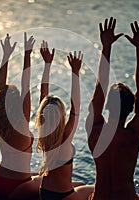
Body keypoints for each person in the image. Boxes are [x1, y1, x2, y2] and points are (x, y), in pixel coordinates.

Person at [85, 17, 139, 200]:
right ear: (132, 109)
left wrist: (106, 47)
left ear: (106, 104)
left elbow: (100, 87)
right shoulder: (133, 134)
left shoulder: (95, 131)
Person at [35, 41, 93, 200]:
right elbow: (76, 106)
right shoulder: (65, 138)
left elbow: (43, 96)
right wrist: (75, 72)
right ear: (61, 116)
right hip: (62, 197)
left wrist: (47, 64)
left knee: (80, 182)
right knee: (94, 189)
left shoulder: (45, 135)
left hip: (44, 193)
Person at [0, 33, 41, 199]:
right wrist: (27, 54)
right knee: (73, 185)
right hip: (18, 187)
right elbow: (26, 83)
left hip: (0, 181)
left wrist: (6, 56)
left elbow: (0, 87)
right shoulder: (22, 121)